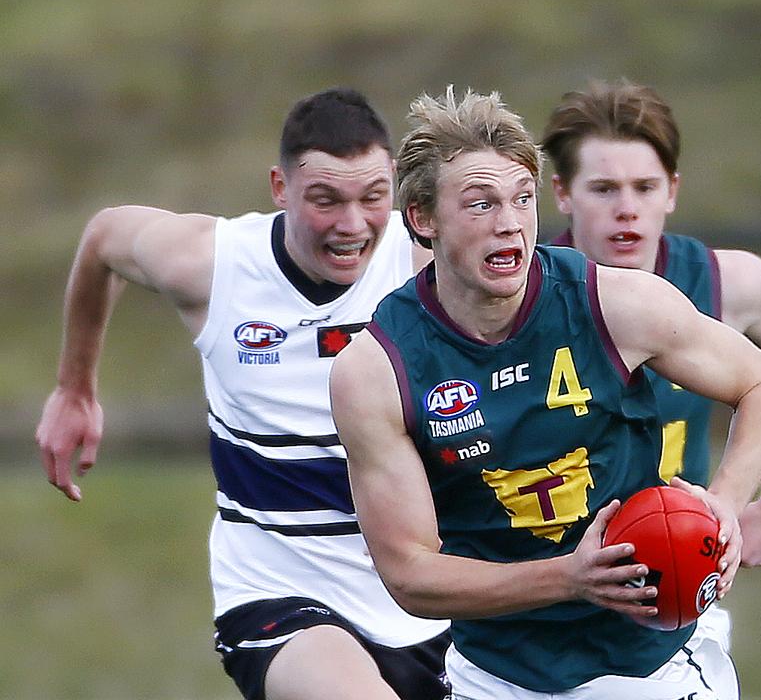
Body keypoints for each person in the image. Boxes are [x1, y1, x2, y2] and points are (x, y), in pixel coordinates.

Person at [329, 87, 761, 699]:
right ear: (422, 218)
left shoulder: (615, 302)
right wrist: (569, 578)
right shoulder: (376, 370)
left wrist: (727, 503)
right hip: (498, 677)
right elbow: (410, 575)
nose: (508, 224)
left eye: (522, 199)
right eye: (480, 204)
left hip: (652, 667)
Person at [35, 88, 451, 700]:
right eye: (325, 200)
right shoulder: (215, 264)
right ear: (280, 188)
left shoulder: (428, 265)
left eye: (372, 198)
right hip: (280, 596)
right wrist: (75, 388)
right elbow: (105, 239)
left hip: (428, 597)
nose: (352, 224)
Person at [541, 78, 761, 695]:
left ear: (673, 190)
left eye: (644, 187)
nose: (626, 208)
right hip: (547, 591)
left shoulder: (726, 283)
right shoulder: (521, 296)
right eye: (604, 189)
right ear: (561, 192)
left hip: (677, 585)